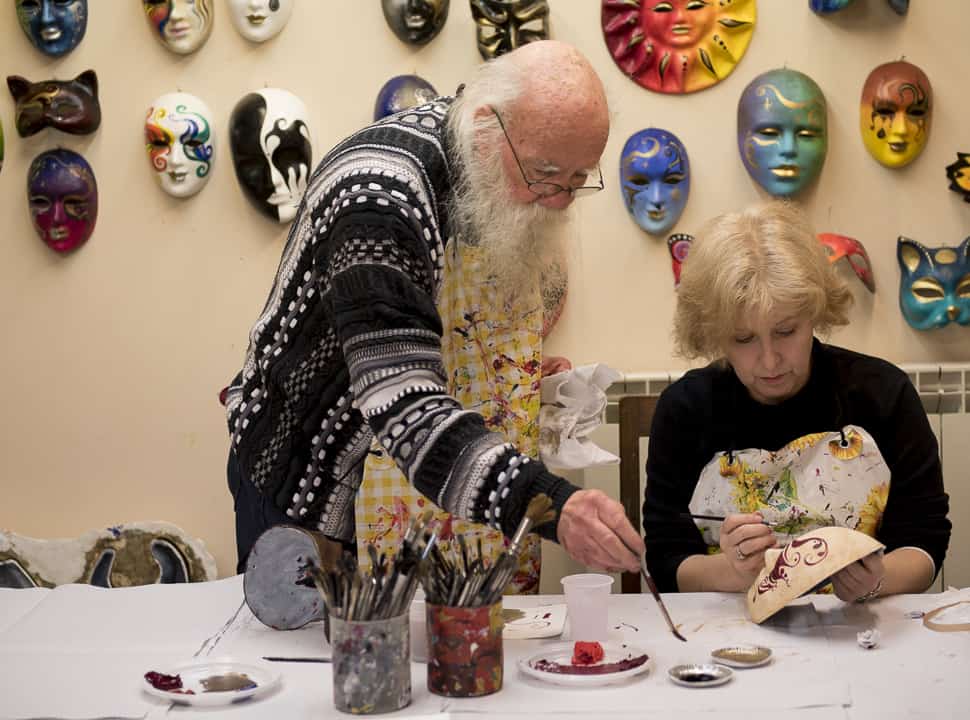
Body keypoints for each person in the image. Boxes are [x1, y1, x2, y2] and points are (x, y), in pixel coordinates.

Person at [224, 40, 644, 577]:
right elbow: (403, 402)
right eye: (545, 175)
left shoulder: (478, 163)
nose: (561, 201)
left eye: (578, 181)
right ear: (490, 126)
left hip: (402, 468)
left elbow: (442, 326)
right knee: (316, 659)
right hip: (307, 482)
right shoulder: (377, 198)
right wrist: (554, 505)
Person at [643, 201, 950, 601]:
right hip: (726, 637)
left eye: (786, 331)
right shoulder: (685, 409)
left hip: (859, 631)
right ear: (714, 334)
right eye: (743, 339)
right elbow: (667, 559)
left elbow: (926, 541)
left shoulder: (882, 393)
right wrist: (728, 570)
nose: (769, 361)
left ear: (814, 313)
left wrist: (878, 579)